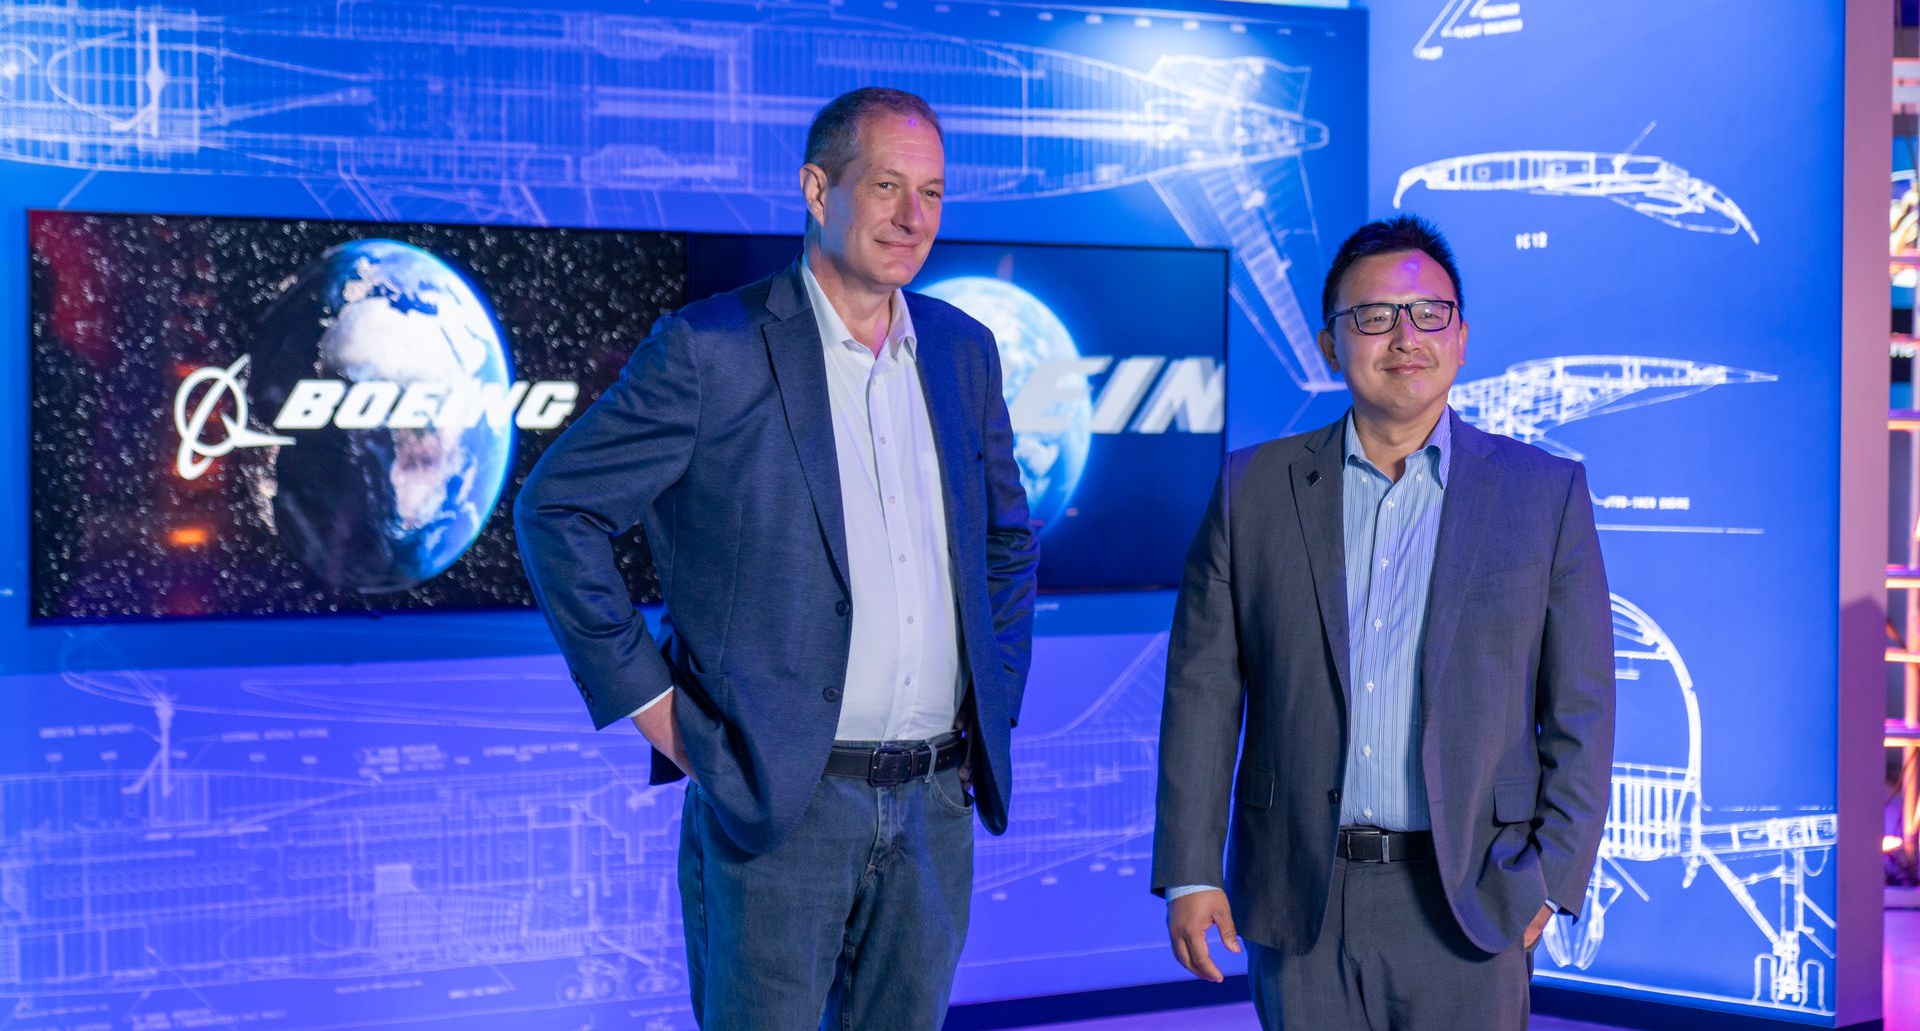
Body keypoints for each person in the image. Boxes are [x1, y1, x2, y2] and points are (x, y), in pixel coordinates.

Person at [514, 86, 1038, 1029]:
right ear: (815, 187)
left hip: (932, 807)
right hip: (778, 808)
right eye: (885, 186)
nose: (913, 217)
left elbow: (1005, 543)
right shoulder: (710, 349)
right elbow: (558, 511)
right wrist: (658, 710)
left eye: (932, 192)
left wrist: (990, 701)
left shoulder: (964, 351)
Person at [1151, 214, 1615, 1029]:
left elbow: (1581, 709)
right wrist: (1192, 871)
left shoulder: (1545, 495)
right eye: (1373, 317)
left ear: (1462, 337)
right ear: (1332, 346)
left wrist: (1552, 873)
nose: (1405, 336)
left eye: (1428, 314)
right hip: (1300, 896)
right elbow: (1202, 693)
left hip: (1470, 895)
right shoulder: (1251, 490)